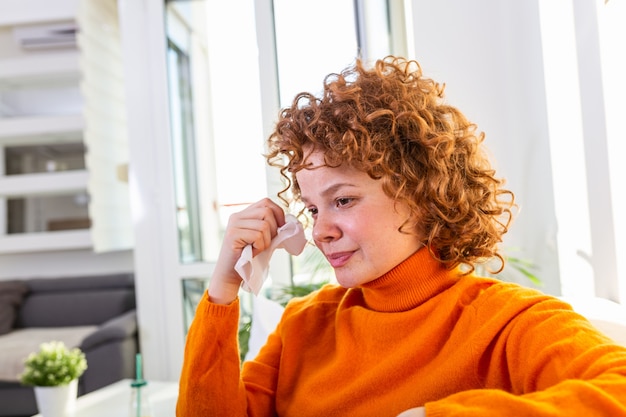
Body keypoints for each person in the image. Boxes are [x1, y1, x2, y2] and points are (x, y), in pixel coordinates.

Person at [176, 56, 626, 416]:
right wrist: (222, 290)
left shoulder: (508, 322)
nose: (320, 231)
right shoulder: (303, 327)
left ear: (422, 191)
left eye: (344, 200)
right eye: (313, 209)